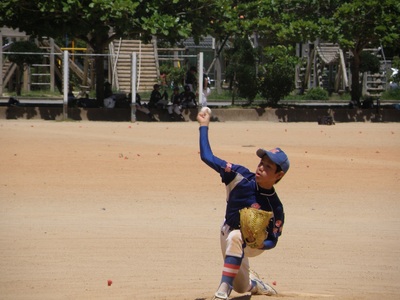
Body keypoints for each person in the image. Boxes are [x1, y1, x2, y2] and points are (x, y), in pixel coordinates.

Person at [197, 109, 289, 300]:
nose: (261, 167)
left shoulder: (275, 207)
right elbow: (207, 156)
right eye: (261, 163)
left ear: (278, 176)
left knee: (237, 237)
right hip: (227, 232)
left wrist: (262, 242)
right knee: (242, 286)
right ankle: (255, 284)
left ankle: (223, 290)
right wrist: (203, 126)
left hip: (252, 245)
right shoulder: (239, 176)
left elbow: (274, 239)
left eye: (268, 167)